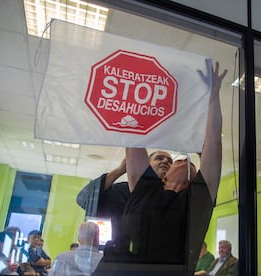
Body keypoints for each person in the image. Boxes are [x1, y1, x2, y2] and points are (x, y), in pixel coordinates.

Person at [94, 60, 227, 271]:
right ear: (163, 176)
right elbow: (134, 136)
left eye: (191, 163)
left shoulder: (198, 199)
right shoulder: (145, 188)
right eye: (180, 160)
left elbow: (214, 145)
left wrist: (213, 96)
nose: (186, 162)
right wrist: (142, 88)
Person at [76, 152, 173, 241]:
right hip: (121, 255)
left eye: (169, 161)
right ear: (146, 166)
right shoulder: (121, 191)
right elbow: (85, 199)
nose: (165, 161)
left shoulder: (172, 197)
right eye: (159, 158)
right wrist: (120, 170)